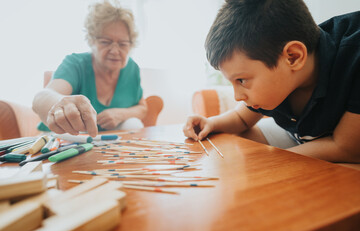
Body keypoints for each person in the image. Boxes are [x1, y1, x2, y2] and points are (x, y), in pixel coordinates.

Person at [183, 0, 360, 163]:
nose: (237, 96)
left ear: (293, 57)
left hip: (349, 145)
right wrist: (212, 123)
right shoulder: (279, 71)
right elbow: (241, 119)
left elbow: (345, 148)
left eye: (242, 80)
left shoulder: (353, 57)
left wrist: (273, 162)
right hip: (308, 135)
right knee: (239, 145)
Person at [32, 0, 147, 137]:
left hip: (107, 139)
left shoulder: (132, 68)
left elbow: (143, 107)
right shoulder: (75, 63)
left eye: (122, 44)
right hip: (67, 136)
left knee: (133, 123)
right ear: (92, 41)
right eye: (106, 42)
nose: (115, 51)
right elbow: (41, 97)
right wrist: (61, 105)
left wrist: (120, 114)